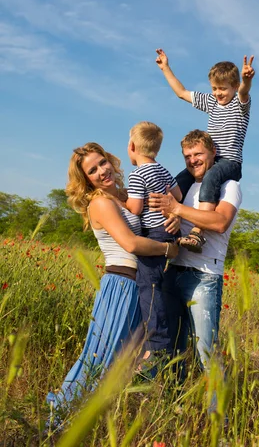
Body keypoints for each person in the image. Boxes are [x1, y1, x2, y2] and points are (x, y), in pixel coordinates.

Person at [47, 142, 179, 417]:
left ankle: (100, 420)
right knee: (100, 358)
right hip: (119, 287)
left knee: (127, 363)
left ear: (110, 160)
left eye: (102, 163)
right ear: (86, 179)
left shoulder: (126, 195)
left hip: (142, 286)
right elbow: (130, 244)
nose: (101, 171)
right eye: (92, 170)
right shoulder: (101, 202)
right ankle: (59, 420)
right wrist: (169, 249)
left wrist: (174, 220)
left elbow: (154, 222)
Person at [148, 130, 242, 370]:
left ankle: (215, 407)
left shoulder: (228, 186)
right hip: (173, 271)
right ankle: (173, 403)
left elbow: (220, 222)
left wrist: (177, 209)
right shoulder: (183, 188)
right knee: (171, 348)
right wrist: (172, 215)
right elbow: (167, 213)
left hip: (204, 275)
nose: (193, 160)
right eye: (187, 156)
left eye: (198, 153)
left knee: (206, 353)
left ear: (214, 153)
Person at [155, 49, 254, 252]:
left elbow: (244, 92)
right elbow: (181, 93)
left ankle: (198, 232)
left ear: (234, 86)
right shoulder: (212, 102)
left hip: (229, 162)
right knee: (178, 180)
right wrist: (165, 68)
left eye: (223, 89)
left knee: (210, 178)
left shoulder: (239, 104)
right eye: (214, 88)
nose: (218, 93)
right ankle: (163, 223)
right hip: (211, 159)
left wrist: (246, 80)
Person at [125, 121, 182, 358]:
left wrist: (121, 200)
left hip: (154, 233)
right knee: (159, 283)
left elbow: (136, 208)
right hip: (169, 230)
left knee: (148, 286)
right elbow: (177, 196)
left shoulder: (137, 174)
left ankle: (156, 344)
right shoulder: (163, 169)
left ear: (132, 146)